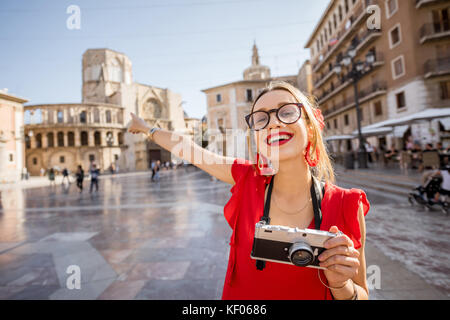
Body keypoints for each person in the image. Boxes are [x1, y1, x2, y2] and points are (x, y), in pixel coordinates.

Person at [128, 81, 369, 300]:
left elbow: (362, 295)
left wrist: (341, 285)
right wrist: (147, 129)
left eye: (286, 112)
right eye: (260, 118)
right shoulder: (245, 179)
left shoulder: (347, 204)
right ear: (256, 135)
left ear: (309, 124)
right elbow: (190, 149)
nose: (273, 122)